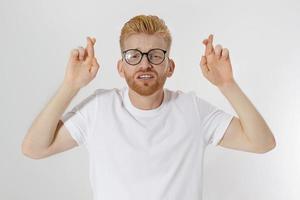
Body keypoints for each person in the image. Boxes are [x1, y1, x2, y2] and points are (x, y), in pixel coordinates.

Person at [22, 15, 276, 200]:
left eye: (155, 55)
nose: (145, 64)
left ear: (170, 66)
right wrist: (71, 85)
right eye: (134, 56)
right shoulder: (99, 108)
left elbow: (262, 142)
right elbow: (34, 148)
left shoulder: (192, 110)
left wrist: (227, 83)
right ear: (121, 67)